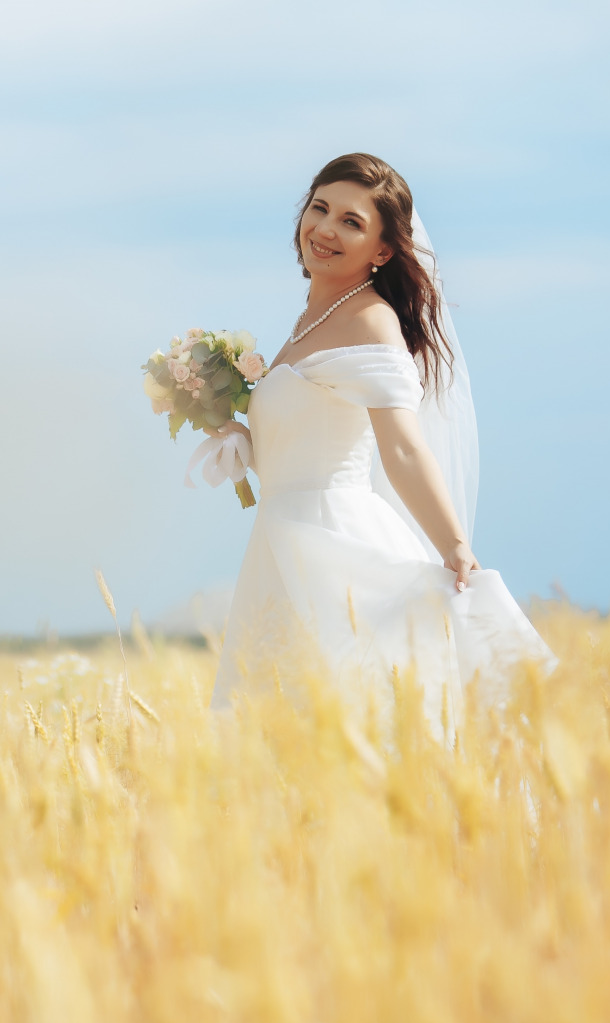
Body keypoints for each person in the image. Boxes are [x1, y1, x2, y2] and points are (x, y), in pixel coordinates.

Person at [210, 152, 554, 729]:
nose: (325, 229)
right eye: (319, 208)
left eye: (351, 221)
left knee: (354, 717)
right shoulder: (309, 320)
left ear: (383, 250)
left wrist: (454, 545)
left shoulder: (369, 319)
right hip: (281, 541)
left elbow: (402, 447)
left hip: (335, 540)